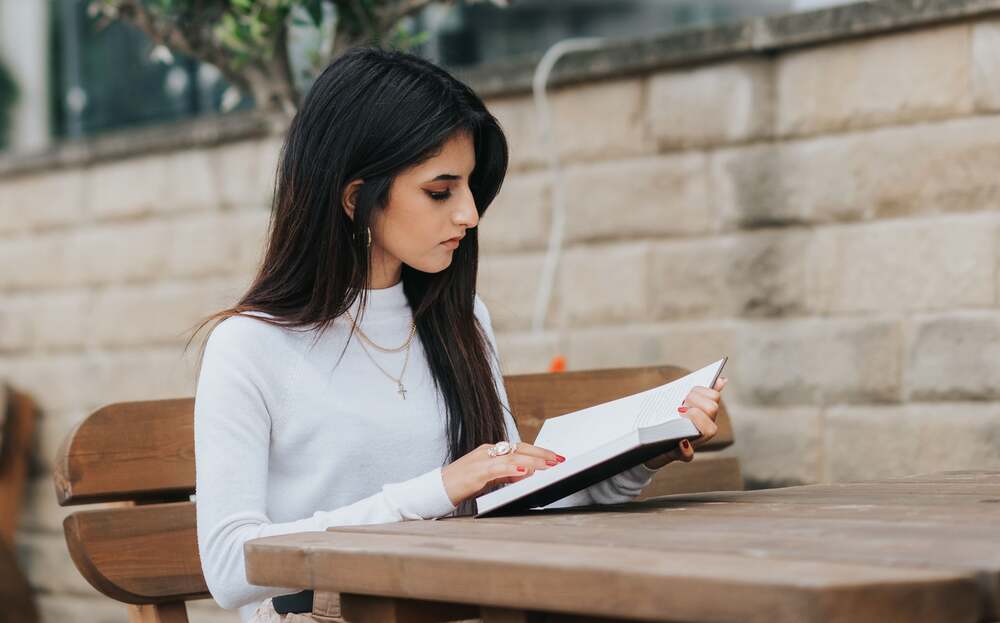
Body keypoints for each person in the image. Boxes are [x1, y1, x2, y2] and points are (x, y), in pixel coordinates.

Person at [190, 46, 727, 623]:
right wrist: (438, 490)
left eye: (470, 187)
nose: (469, 214)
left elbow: (510, 506)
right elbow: (228, 566)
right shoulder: (250, 346)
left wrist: (639, 457)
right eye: (440, 191)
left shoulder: (460, 318)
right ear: (354, 198)